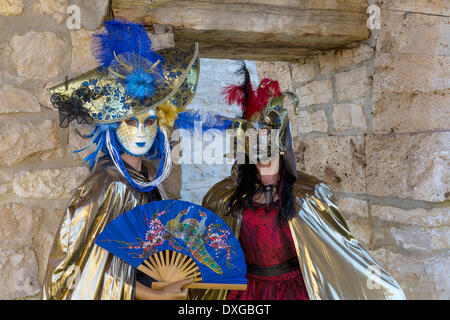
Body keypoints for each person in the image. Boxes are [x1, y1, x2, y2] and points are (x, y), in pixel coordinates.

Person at [188, 63, 406, 300]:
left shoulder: (311, 194)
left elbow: (341, 249)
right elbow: (208, 255)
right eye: (253, 134)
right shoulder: (223, 197)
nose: (260, 143)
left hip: (294, 291)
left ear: (281, 139)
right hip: (245, 293)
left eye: (267, 134)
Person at [41, 19, 199, 300]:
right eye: (130, 121)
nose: (140, 132)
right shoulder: (107, 184)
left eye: (149, 121)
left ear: (161, 124)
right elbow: (86, 266)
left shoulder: (151, 181)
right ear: (113, 126)